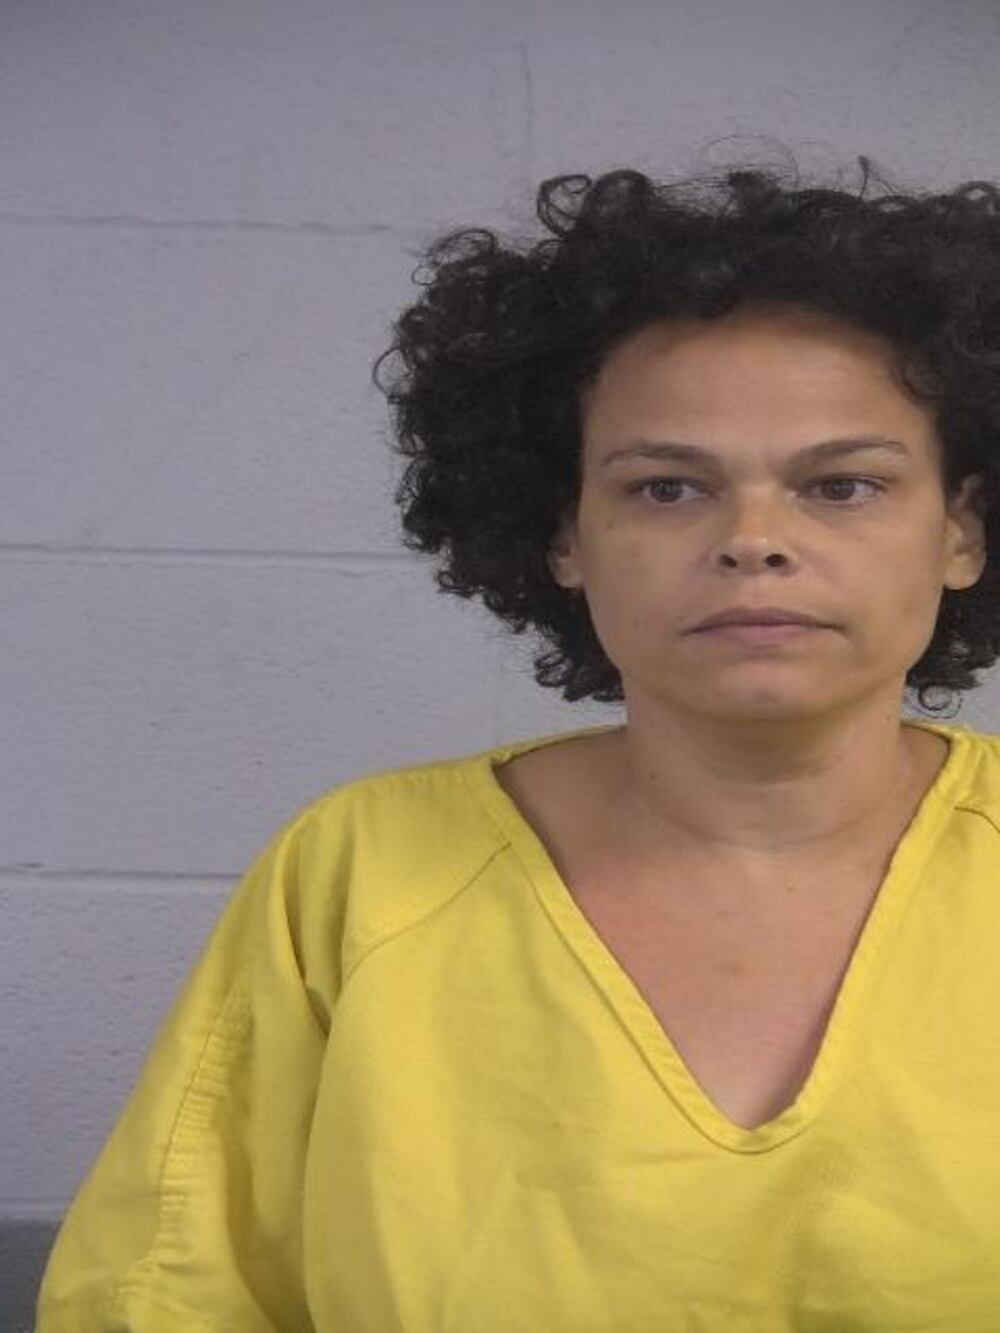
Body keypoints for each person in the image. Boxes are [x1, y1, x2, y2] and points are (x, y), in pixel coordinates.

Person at [37, 150, 1000, 1330]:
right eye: (666, 488)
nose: (753, 538)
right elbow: (163, 1298)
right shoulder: (360, 873)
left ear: (960, 532)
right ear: (564, 538)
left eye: (841, 486)